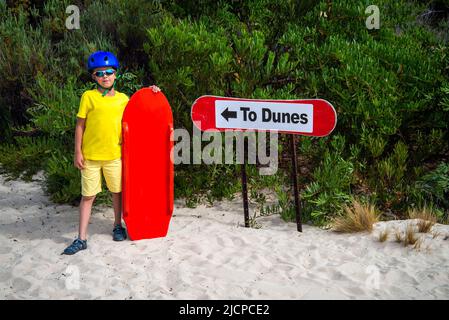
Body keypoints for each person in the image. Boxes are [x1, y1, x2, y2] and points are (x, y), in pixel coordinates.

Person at [62, 51, 160, 255]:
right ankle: (81, 238)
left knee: (117, 193)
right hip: (90, 157)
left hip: (115, 156)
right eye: (99, 73)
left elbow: (142, 108)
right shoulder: (88, 97)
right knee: (88, 196)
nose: (105, 76)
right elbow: (80, 125)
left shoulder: (123, 99)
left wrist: (152, 91)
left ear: (115, 74)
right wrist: (77, 152)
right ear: (93, 77)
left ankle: (117, 225)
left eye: (108, 72)